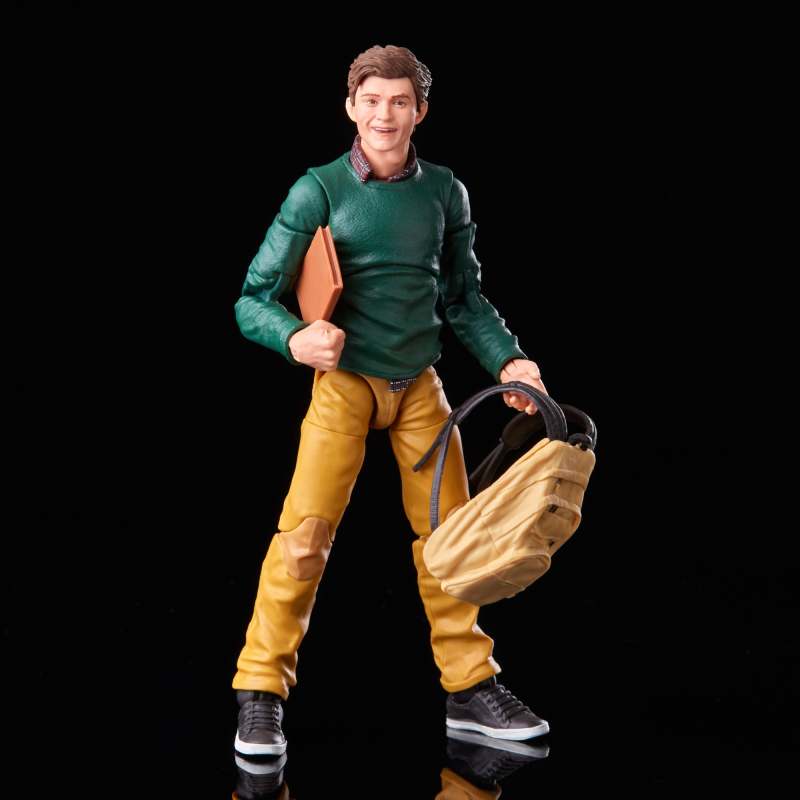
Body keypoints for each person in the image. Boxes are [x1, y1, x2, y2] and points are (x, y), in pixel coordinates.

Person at [232, 45, 551, 757]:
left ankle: (470, 686)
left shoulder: (444, 192)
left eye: (399, 102)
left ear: (420, 111)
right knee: (304, 538)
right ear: (351, 106)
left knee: (453, 540)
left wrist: (511, 360)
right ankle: (260, 690)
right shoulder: (316, 190)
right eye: (372, 100)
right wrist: (293, 338)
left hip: (421, 390)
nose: (385, 114)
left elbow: (464, 298)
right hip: (344, 389)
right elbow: (252, 299)